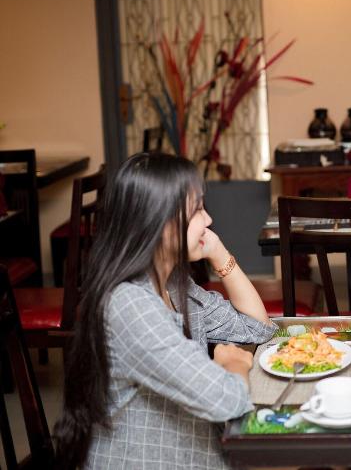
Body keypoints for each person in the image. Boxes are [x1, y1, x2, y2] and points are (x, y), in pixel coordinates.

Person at [53, 152, 276, 469]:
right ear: (158, 221)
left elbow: (258, 328)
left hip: (198, 452)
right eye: (197, 209)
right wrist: (234, 363)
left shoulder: (173, 283)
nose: (208, 220)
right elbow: (228, 400)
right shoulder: (131, 305)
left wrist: (218, 253)